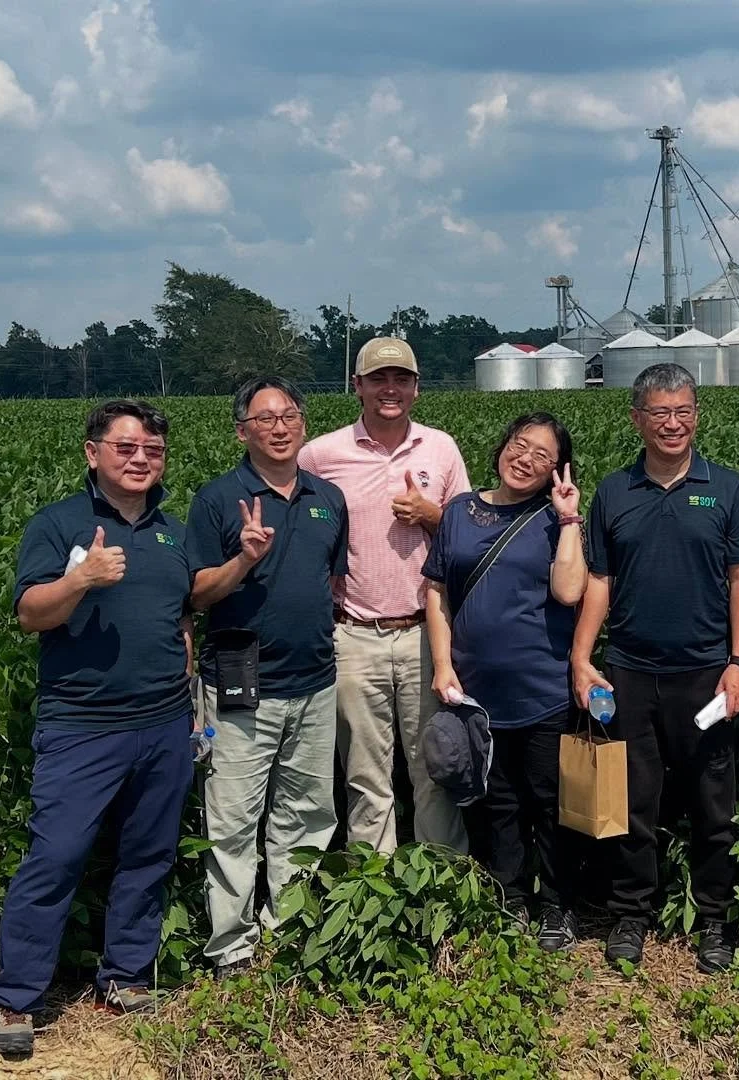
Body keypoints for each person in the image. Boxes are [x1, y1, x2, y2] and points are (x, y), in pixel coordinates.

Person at [0, 400, 194, 1057]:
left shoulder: (174, 531)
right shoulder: (59, 525)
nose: (140, 459)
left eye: (153, 450)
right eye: (126, 447)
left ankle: (125, 977)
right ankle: (16, 999)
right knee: (56, 856)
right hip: (81, 726)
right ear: (92, 452)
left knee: (148, 854)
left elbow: (182, 615)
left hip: (163, 723)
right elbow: (29, 614)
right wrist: (79, 579)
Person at [572, 363, 739, 973]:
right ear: (637, 420)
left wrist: (738, 662)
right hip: (631, 670)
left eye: (683, 411)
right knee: (633, 801)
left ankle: (713, 918)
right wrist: (582, 656)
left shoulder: (728, 488)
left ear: (696, 416)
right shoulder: (614, 492)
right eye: (659, 412)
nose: (672, 424)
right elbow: (600, 581)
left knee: (712, 802)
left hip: (706, 674)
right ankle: (632, 912)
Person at [186, 377, 349, 978]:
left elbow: (329, 586)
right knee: (232, 818)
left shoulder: (328, 497)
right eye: (265, 418)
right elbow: (197, 593)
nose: (279, 427)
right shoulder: (217, 499)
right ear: (242, 431)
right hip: (238, 683)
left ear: (303, 423)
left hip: (315, 680)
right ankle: (232, 945)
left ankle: (291, 928)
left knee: (306, 812)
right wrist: (243, 560)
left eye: (289, 415)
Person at [298, 336, 470, 853]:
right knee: (365, 773)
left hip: (427, 634)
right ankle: (376, 888)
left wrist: (432, 517)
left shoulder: (440, 448)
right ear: (358, 387)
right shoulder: (321, 455)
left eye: (401, 379)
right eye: (377, 379)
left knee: (435, 765)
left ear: (416, 389)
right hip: (354, 634)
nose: (389, 389)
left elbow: (467, 536)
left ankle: (442, 880)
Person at [422, 412, 586, 952]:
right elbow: (438, 594)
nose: (526, 459)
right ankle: (511, 897)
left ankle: (558, 906)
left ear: (555, 471)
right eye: (520, 445)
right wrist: (444, 666)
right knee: (498, 801)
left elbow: (568, 593)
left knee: (548, 800)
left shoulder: (550, 519)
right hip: (478, 694)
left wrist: (568, 522)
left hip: (541, 688)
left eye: (542, 455)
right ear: (501, 447)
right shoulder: (458, 513)